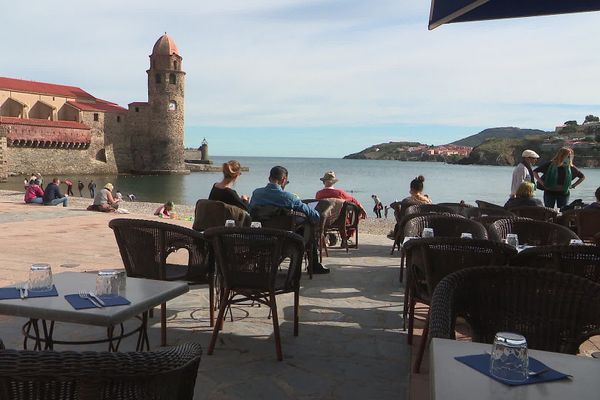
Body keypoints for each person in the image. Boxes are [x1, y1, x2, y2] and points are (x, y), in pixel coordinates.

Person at [249, 166, 329, 274]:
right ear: (283, 180)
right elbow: (314, 215)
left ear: (269, 178)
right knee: (308, 227)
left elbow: (250, 211)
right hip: (285, 238)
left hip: (261, 235)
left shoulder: (256, 194)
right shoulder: (290, 198)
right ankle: (313, 265)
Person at [315, 171, 367, 244]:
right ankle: (345, 238)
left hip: (323, 220)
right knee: (347, 214)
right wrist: (362, 209)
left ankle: (324, 237)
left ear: (324, 182)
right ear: (334, 182)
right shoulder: (340, 193)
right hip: (340, 220)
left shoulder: (319, 194)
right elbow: (353, 200)